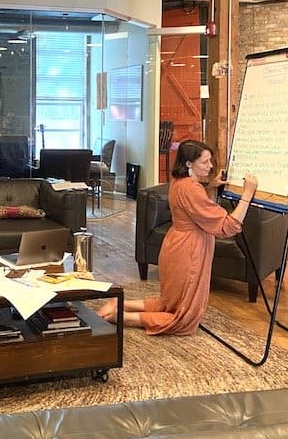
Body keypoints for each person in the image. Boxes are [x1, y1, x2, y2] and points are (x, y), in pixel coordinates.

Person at [98, 139, 258, 334]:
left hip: (176, 245)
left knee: (171, 303)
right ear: (189, 164)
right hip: (188, 251)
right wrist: (247, 194)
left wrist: (211, 186)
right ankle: (121, 317)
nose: (210, 166)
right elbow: (228, 227)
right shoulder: (191, 188)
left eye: (210, 161)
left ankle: (121, 304)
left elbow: (194, 207)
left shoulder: (180, 180)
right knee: (184, 320)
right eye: (205, 162)